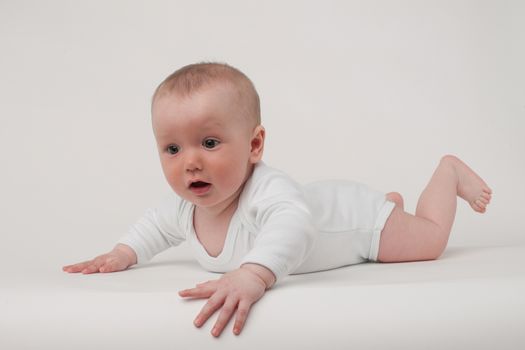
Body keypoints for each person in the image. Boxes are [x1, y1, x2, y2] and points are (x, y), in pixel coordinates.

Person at [63, 62, 492, 337]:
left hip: (360, 223)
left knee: (430, 242)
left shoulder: (267, 190)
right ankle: (392, 202)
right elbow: (153, 226)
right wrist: (123, 253)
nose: (189, 162)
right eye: (172, 149)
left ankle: (447, 172)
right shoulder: (183, 208)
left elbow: (294, 225)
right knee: (362, 211)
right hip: (329, 204)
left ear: (254, 146)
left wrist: (254, 273)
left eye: (209, 142)